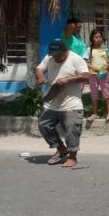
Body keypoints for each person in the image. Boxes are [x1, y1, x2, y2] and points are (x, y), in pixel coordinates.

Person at [34, 39, 90, 168]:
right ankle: (60, 149)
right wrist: (41, 77)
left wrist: (67, 80)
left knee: (71, 130)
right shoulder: (50, 58)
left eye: (58, 55)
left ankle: (72, 157)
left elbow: (87, 76)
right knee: (44, 125)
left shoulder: (76, 59)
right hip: (53, 101)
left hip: (72, 103)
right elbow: (38, 69)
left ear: (65, 51)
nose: (56, 57)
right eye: (53, 54)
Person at [85, 29, 109, 122]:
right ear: (92, 39)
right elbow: (85, 61)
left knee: (106, 92)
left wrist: (106, 70)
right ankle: (95, 113)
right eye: (96, 37)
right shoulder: (89, 50)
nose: (98, 39)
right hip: (93, 75)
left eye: (100, 37)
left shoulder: (105, 49)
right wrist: (92, 67)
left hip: (103, 75)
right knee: (94, 93)